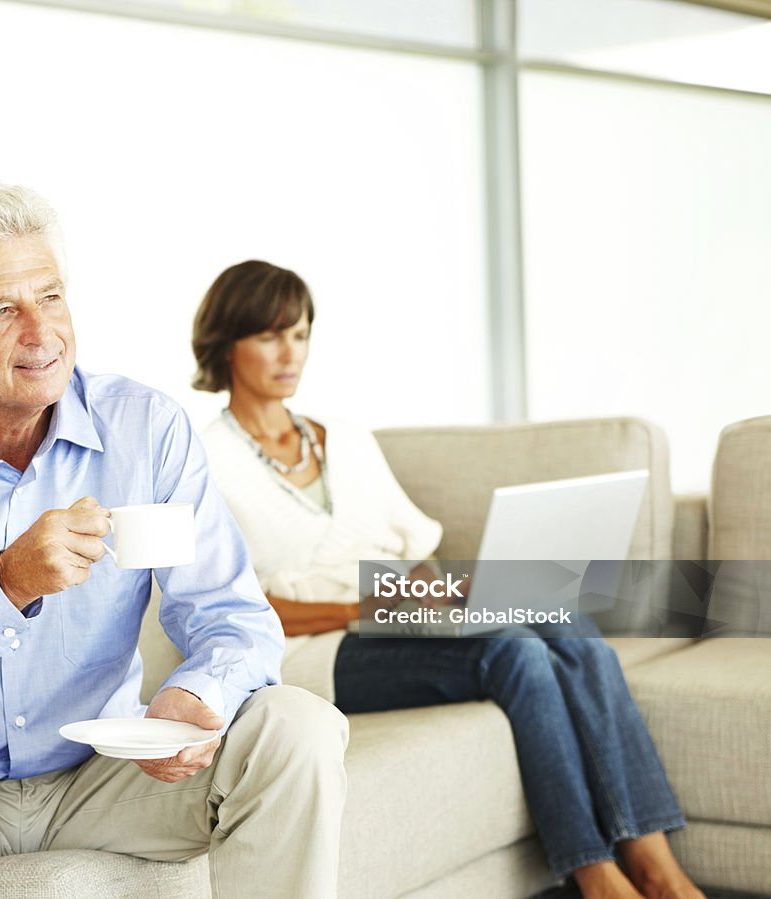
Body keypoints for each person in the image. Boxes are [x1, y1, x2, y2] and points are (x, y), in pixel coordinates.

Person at [0, 185, 348, 899]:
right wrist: (5, 583)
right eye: (2, 308)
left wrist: (199, 696)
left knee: (298, 724)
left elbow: (233, 615)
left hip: (105, 776)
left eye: (50, 296)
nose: (41, 331)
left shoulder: (145, 431)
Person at [192, 259, 705, 899]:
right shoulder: (204, 457)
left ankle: (656, 865)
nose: (289, 352)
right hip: (311, 655)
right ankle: (596, 875)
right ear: (225, 343)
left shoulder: (345, 439)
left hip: (393, 616)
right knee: (513, 651)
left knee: (562, 615)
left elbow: (417, 549)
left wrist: (433, 595)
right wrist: (364, 607)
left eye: (300, 333)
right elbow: (234, 603)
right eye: (270, 335)